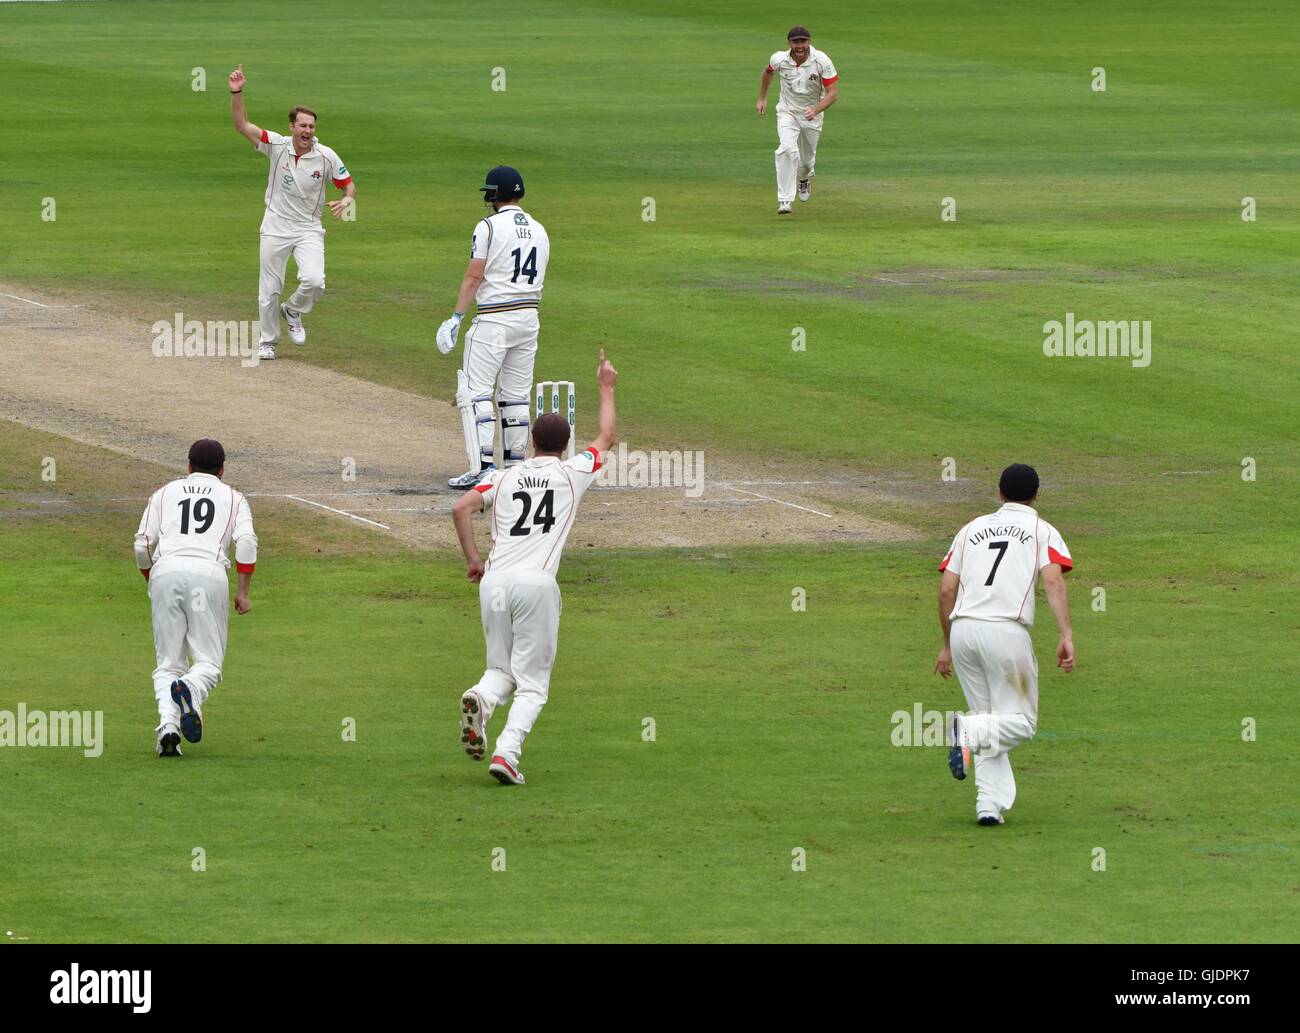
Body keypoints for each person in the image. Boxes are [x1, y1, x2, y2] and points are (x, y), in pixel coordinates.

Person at [451, 350, 617, 785]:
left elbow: (461, 508)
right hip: (536, 586)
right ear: (564, 445)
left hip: (494, 583)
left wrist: (472, 561)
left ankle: (481, 700)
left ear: (531, 444)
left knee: (500, 671)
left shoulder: (503, 477)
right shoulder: (571, 473)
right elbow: (606, 438)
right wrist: (605, 387)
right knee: (534, 685)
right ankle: (506, 753)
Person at [934, 463, 1075, 825]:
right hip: (1006, 635)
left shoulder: (970, 529)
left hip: (964, 631)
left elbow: (947, 589)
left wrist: (947, 645)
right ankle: (966, 730)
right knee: (1020, 723)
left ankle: (988, 806)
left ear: (998, 493)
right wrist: (1066, 635)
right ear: (1036, 496)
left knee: (990, 721)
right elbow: (1054, 582)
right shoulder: (1042, 529)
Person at [134, 439, 257, 757]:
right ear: (222, 470)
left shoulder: (164, 493)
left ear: (188, 466)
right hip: (209, 576)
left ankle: (168, 729)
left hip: (166, 572)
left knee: (168, 664)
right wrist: (243, 593)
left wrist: (153, 580)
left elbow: (142, 544)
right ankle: (191, 689)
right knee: (208, 664)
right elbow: (246, 545)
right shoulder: (234, 497)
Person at [228, 64, 356, 361]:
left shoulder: (326, 156)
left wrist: (346, 201)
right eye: (302, 126)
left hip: (309, 227)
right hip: (275, 225)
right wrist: (236, 91)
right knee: (269, 289)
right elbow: (241, 125)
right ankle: (268, 341)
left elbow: (349, 187)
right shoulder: (276, 146)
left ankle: (294, 310)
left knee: (314, 280)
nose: (307, 131)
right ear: (292, 127)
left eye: (311, 127)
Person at [436, 166, 551, 488]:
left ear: (494, 195)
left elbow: (474, 275)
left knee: (475, 392)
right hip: (529, 318)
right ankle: (515, 467)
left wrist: (456, 317)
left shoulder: (487, 226)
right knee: (515, 395)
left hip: (494, 319)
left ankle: (483, 466)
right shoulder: (540, 229)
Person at [757, 26, 839, 214]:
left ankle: (803, 179)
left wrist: (816, 110)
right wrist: (762, 97)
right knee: (786, 149)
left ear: (809, 42)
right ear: (789, 43)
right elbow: (768, 72)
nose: (800, 46)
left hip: (813, 115)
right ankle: (785, 200)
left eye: (804, 41)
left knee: (806, 162)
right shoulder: (779, 59)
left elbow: (833, 94)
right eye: (796, 42)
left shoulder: (821, 61)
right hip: (787, 111)